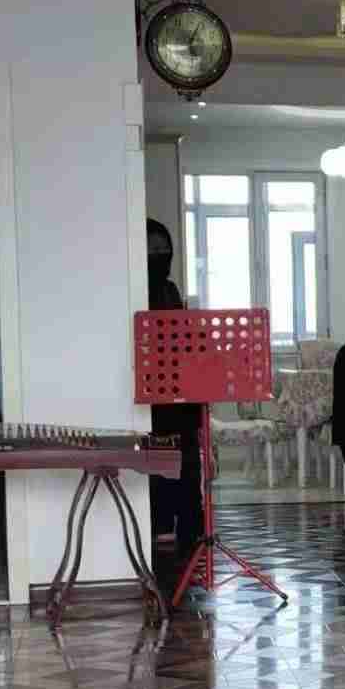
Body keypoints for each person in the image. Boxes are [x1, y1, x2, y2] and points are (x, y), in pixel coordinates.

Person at [145, 220, 202, 554]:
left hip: (180, 388)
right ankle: (162, 524)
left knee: (188, 455)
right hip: (153, 392)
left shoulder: (171, 290)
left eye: (165, 249)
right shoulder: (136, 289)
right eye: (153, 249)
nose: (161, 254)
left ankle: (191, 526)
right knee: (160, 459)